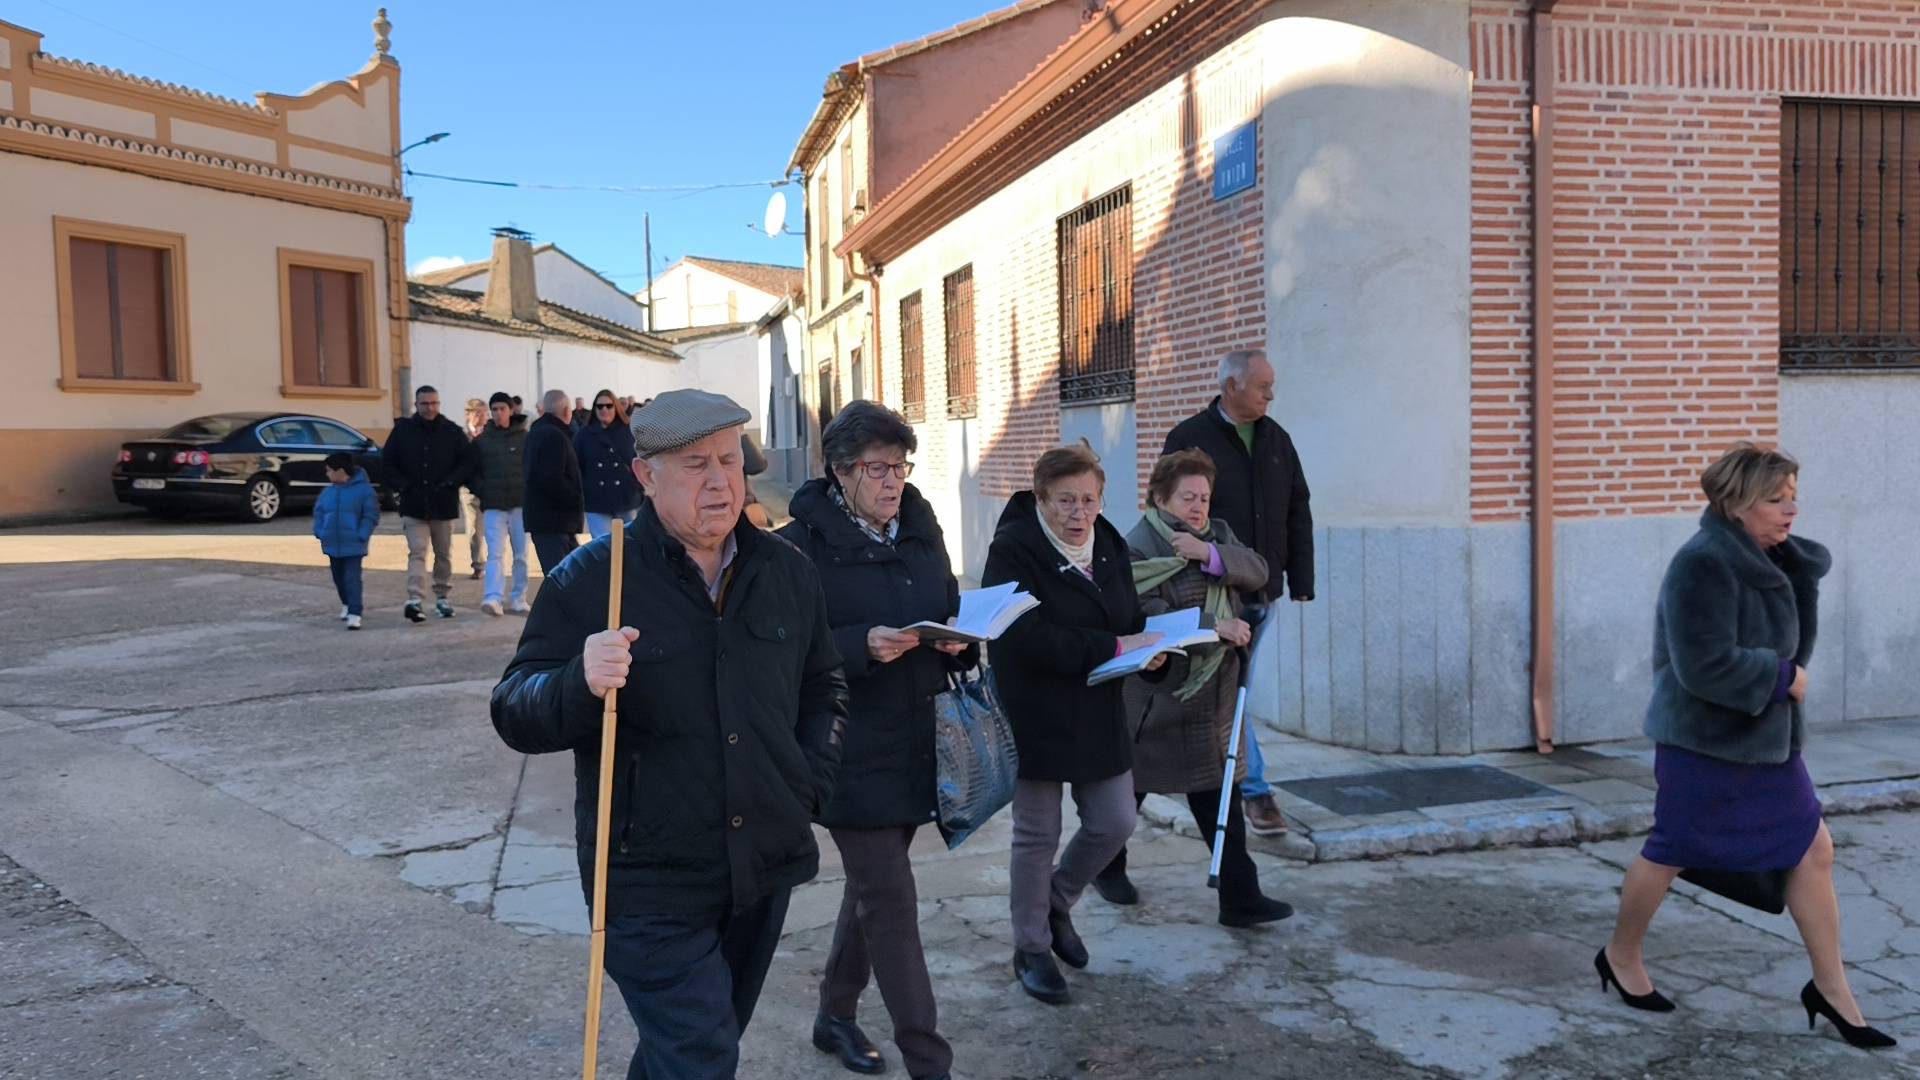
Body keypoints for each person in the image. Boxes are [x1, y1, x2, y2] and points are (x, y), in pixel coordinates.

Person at [491, 388, 850, 1079]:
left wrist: (808, 782)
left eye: (728, 461)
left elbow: (823, 687)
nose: (720, 481)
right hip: (647, 877)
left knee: (695, 1045)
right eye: (694, 465)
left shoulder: (787, 573)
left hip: (760, 862)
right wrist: (576, 681)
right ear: (645, 477)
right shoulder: (593, 578)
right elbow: (513, 707)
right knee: (700, 1052)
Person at [1598, 444, 1896, 1049]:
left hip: (1765, 742)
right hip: (1705, 743)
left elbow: (1794, 642)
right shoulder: (1703, 563)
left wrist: (1798, 573)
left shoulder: (1771, 558)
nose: (1791, 509)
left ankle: (1832, 989)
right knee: (1672, 849)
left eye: (1792, 495)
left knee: (1813, 848)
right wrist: (1781, 679)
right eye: (1774, 498)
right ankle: (1620, 954)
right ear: (1735, 504)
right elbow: (1702, 664)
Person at [776, 401, 968, 1080]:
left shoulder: (919, 525)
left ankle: (834, 1012)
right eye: (876, 468)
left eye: (899, 465)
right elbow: (782, 652)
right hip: (846, 750)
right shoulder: (798, 544)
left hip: (919, 738)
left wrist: (956, 639)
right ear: (838, 471)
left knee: (871, 890)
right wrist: (860, 646)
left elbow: (945, 599)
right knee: (891, 898)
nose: (892, 481)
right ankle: (929, 1061)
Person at [982, 443, 1167, 1006]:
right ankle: (1032, 948)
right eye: (1065, 500)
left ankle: (1057, 900)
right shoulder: (1012, 549)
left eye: (1089, 499)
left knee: (1115, 821)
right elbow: (1018, 636)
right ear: (1041, 498)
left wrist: (1153, 649)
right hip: (1034, 709)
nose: (1078, 511)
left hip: (1097, 706)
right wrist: (1112, 644)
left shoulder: (1108, 541)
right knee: (1036, 836)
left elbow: (1128, 617)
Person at [1091, 450, 1294, 926]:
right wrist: (1214, 624)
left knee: (1218, 794)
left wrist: (1213, 556)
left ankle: (1240, 897)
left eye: (1204, 497)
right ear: (1161, 497)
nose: (1198, 507)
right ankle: (1105, 867)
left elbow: (1259, 571)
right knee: (1130, 797)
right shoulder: (1137, 546)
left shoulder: (1217, 535)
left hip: (1216, 696)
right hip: (1159, 698)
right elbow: (1143, 609)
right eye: (1188, 497)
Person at [1161, 350, 1313, 836]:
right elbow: (1166, 511)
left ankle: (1235, 784)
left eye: (1271, 384)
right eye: (1262, 385)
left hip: (1261, 588)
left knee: (1233, 691)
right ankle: (1253, 791)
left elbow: (1297, 507)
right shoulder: (1189, 438)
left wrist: (1300, 579)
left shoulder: (1277, 439)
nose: (1271, 394)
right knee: (1232, 692)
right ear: (1230, 387)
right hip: (1207, 592)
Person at [382, 385, 473, 622]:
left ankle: (442, 597)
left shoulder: (452, 431)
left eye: (434, 403)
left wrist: (451, 482)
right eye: (425, 404)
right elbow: (388, 463)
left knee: (443, 554)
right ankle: (415, 599)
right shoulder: (403, 431)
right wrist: (403, 486)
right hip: (414, 505)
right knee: (417, 552)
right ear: (416, 404)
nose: (430, 408)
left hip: (443, 504)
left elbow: (467, 463)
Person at [471, 392, 530, 616]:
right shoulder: (482, 441)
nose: (497, 413)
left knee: (521, 554)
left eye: (501, 409)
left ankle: (518, 597)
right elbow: (473, 471)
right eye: (494, 409)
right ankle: (493, 597)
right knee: (495, 553)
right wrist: (482, 489)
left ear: (510, 410)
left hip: (519, 504)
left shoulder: (524, 438)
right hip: (494, 504)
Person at [313, 452, 379, 631]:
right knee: (338, 578)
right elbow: (319, 513)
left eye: (329, 470)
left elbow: (370, 516)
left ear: (340, 471)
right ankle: (346, 603)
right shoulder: (328, 492)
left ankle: (355, 612)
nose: (327, 474)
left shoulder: (364, 491)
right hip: (332, 542)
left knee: (352, 579)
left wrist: (362, 534)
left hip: (353, 543)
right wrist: (320, 531)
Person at [523, 388, 585, 574]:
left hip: (549, 520)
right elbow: (552, 479)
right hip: (554, 521)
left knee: (571, 576)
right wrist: (575, 498)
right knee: (562, 579)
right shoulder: (554, 436)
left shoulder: (537, 433)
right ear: (567, 411)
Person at [575, 389, 641, 539]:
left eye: (609, 406)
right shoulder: (584, 435)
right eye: (600, 406)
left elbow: (639, 461)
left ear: (616, 407)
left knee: (631, 544)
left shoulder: (629, 432)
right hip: (597, 500)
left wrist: (638, 488)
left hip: (626, 498)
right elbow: (578, 466)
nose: (604, 410)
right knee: (602, 547)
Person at [463, 399, 489, 580]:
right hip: (470, 490)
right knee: (474, 528)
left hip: (491, 487)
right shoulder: (463, 436)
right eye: (477, 413)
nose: (481, 417)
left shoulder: (492, 434)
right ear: (469, 414)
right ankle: (478, 563)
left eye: (483, 412)